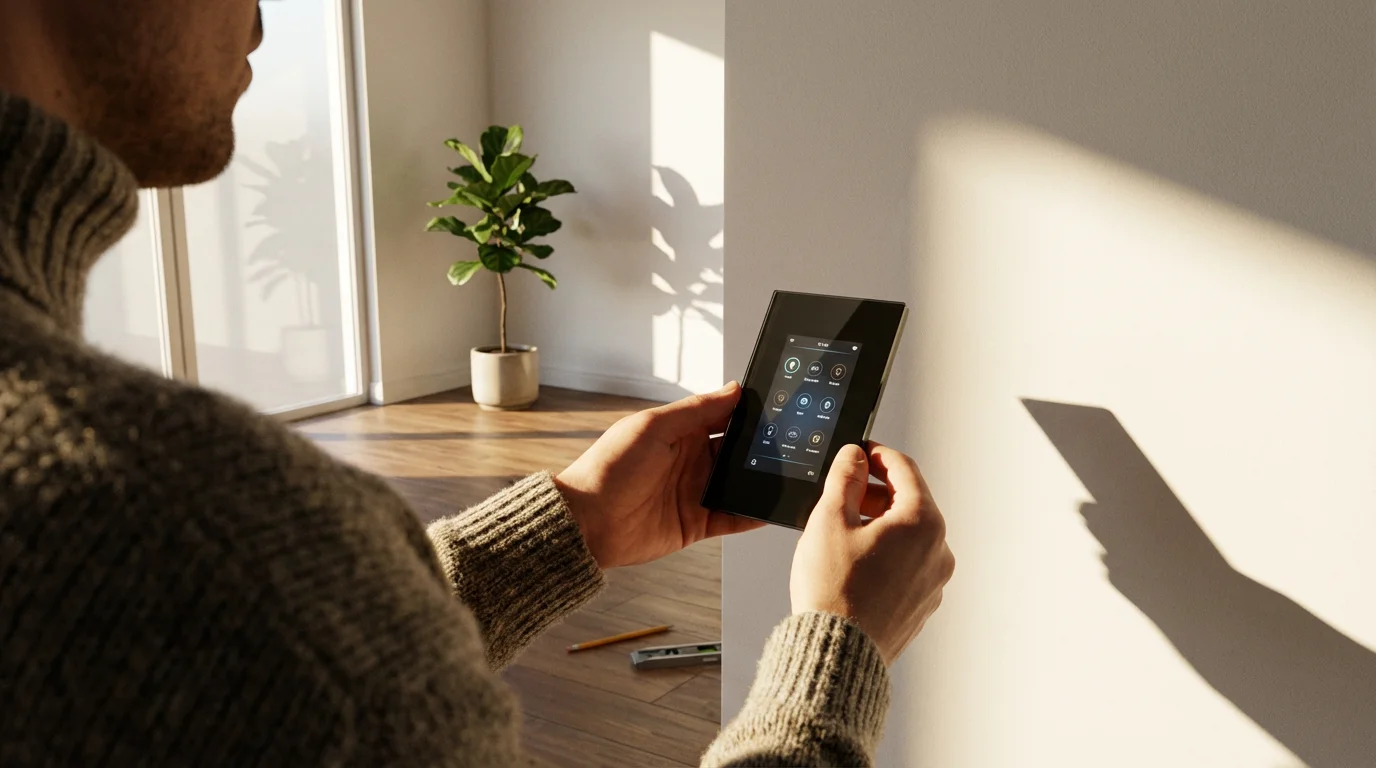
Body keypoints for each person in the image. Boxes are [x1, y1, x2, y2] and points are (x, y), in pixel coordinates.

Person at [0, 1, 955, 765]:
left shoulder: (199, 568)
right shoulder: (195, 537)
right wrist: (836, 655)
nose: (259, 23)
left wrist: (571, 521)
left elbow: (222, 677)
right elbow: (277, 649)